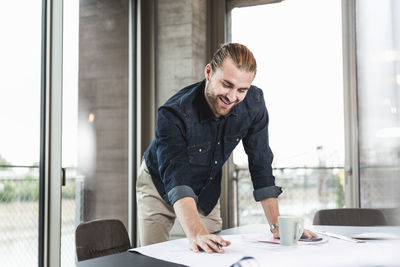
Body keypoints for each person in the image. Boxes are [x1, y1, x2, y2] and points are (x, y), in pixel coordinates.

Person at [136, 43, 317, 253]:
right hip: (158, 184)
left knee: (213, 252)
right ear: (208, 72)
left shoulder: (254, 104)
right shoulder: (173, 113)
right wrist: (195, 232)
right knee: (155, 256)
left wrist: (278, 227)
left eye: (242, 90)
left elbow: (261, 166)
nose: (232, 97)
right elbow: (176, 177)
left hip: (205, 189)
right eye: (227, 85)